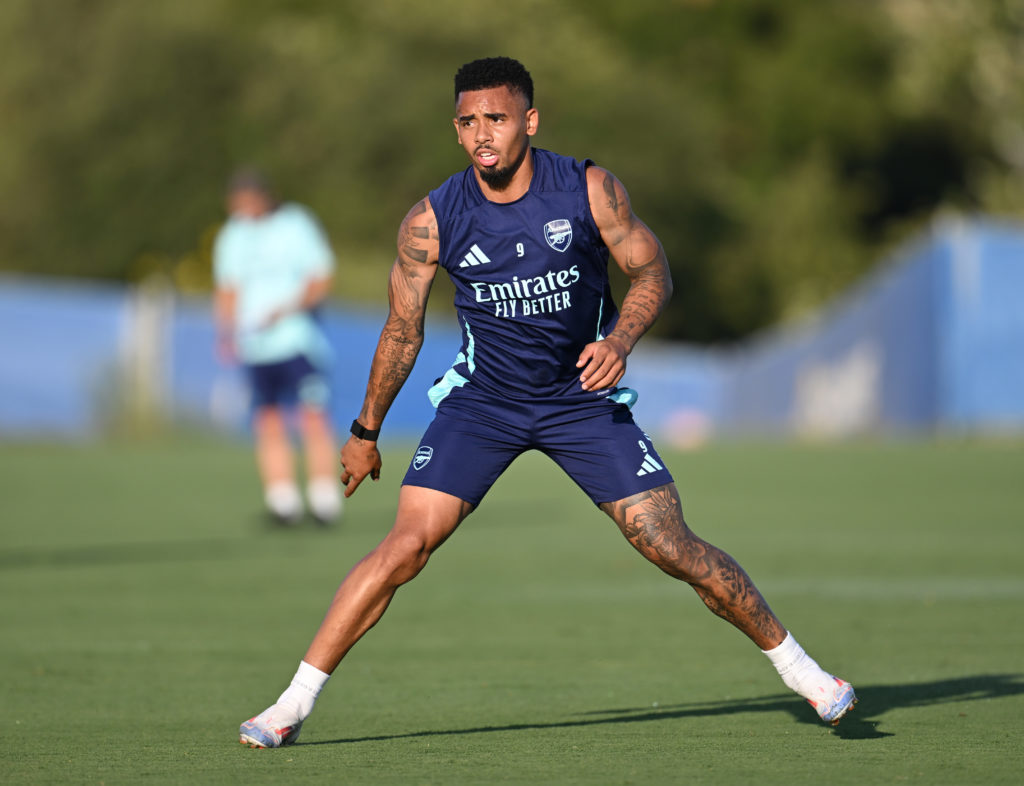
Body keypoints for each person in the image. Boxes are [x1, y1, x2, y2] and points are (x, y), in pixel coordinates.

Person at [239, 57, 855, 747]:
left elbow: (652, 271)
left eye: (497, 119)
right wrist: (364, 430)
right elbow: (403, 331)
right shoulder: (432, 219)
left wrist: (619, 340)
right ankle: (291, 704)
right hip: (485, 405)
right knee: (403, 548)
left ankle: (807, 675)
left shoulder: (590, 190)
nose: (482, 135)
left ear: (529, 120)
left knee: (670, 545)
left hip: (581, 399)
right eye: (468, 122)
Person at [213, 169, 342, 525]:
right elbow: (228, 288)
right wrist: (225, 333)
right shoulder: (232, 235)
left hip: (297, 340)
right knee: (267, 420)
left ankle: (324, 500)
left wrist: (286, 310)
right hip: (255, 346)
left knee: (312, 416)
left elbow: (320, 277)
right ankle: (282, 502)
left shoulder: (296, 224)